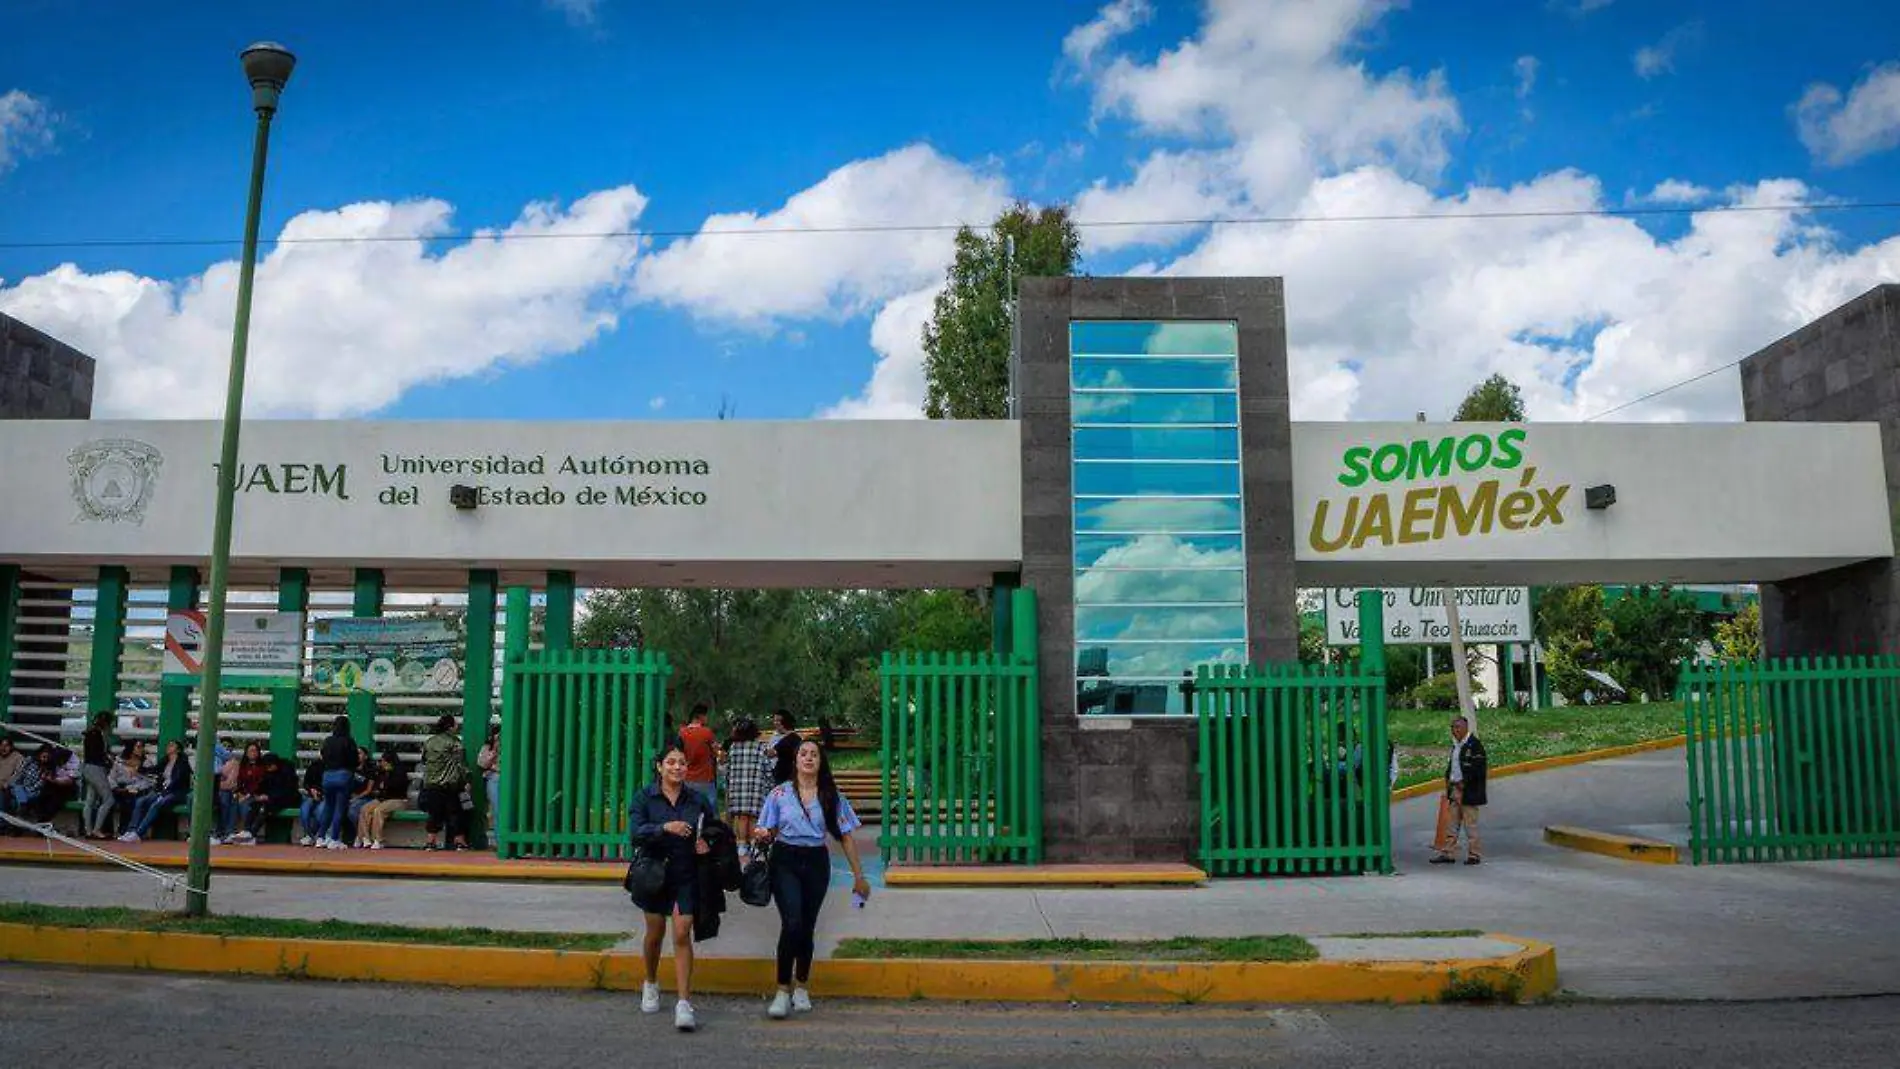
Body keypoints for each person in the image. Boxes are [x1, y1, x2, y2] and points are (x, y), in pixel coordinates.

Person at [754, 739, 871, 1020]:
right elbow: (766, 829)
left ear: (821, 762)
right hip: (785, 860)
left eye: (814, 754)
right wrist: (763, 834)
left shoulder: (831, 796)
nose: (808, 758)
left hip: (816, 863)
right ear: (795, 761)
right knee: (791, 922)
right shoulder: (779, 794)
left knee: (807, 926)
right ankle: (782, 990)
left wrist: (859, 876)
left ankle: (802, 986)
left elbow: (845, 836)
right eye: (803, 754)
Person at [630, 742, 714, 1033]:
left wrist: (707, 844)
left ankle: (683, 1003)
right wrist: (664, 828)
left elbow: (713, 829)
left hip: (686, 874)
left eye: (681, 763)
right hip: (653, 874)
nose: (677, 768)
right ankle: (651, 982)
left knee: (682, 931)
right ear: (659, 767)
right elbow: (635, 833)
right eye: (671, 762)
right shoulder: (644, 797)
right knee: (655, 933)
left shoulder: (697, 799)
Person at [1430, 715, 1488, 866]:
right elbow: (1453, 767)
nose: (1454, 731)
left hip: (1468, 791)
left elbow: (1479, 770)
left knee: (1470, 824)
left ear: (1465, 728)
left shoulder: (1474, 745)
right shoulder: (1456, 746)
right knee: (1452, 823)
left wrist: (1465, 783)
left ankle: (1474, 854)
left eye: (1457, 728)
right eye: (1452, 728)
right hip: (1454, 788)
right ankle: (1448, 853)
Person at [121, 739, 190, 842]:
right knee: (141, 801)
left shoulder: (182, 763)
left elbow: (177, 781)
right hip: (163, 791)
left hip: (176, 793)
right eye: (168, 745)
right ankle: (131, 830)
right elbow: (154, 770)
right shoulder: (166, 760)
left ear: (178, 750)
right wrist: (138, 769)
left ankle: (138, 833)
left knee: (157, 804)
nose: (168, 747)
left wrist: (163, 793)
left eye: (172, 745)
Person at [419, 715, 469, 851]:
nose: (457, 726)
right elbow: (461, 765)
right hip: (450, 784)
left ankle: (430, 842)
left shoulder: (429, 741)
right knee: (455, 813)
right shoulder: (455, 742)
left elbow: (424, 760)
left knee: (434, 814)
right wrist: (465, 781)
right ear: (450, 727)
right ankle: (460, 842)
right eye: (455, 724)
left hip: (431, 784)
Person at [722, 718, 770, 857]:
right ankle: (755, 844)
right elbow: (767, 767)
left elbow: (728, 769)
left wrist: (729, 785)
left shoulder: (733, 747)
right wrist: (770, 784)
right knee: (754, 817)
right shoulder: (760, 747)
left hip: (737, 787)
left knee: (741, 817)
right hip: (756, 786)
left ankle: (741, 845)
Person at [317, 716, 358, 850]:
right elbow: (354, 760)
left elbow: (322, 756)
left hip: (327, 776)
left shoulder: (328, 741)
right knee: (339, 808)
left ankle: (321, 837)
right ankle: (334, 838)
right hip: (343, 775)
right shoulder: (348, 741)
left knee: (328, 806)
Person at [357, 750, 411, 849]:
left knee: (379, 810)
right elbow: (378, 786)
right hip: (383, 798)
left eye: (383, 761)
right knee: (364, 809)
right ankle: (365, 839)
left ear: (389, 762)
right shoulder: (381, 772)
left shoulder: (400, 772)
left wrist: (385, 783)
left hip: (398, 799)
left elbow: (397, 787)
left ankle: (378, 840)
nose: (381, 763)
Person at [79, 713, 116, 840]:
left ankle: (88, 830)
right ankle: (97, 830)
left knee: (90, 800)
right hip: (96, 768)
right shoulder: (97, 735)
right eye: (111, 723)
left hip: (87, 768)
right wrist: (109, 759)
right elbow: (99, 754)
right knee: (109, 799)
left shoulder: (91, 733)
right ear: (106, 723)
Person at [106, 742, 154, 838]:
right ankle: (108, 830)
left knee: (130, 801)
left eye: (142, 747)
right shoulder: (119, 762)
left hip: (137, 790)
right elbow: (111, 777)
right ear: (131, 748)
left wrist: (135, 787)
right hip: (119, 789)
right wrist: (117, 788)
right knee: (108, 801)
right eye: (138, 747)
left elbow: (150, 781)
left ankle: (125, 830)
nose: (141, 749)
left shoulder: (146, 763)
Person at [677, 703, 721, 808]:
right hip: (705, 778)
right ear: (701, 716)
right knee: (709, 810)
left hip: (687, 777)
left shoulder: (682, 733)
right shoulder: (707, 733)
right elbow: (716, 752)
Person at [225, 743, 267, 845]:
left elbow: (261, 784)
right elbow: (239, 782)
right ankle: (229, 832)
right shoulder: (243, 766)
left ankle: (248, 833)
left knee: (246, 805)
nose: (252, 753)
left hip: (256, 795)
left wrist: (248, 795)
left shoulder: (262, 767)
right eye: (250, 751)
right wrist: (238, 793)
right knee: (233, 802)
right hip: (242, 794)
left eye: (254, 750)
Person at [0, 739, 42, 829]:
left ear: (11, 747)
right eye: (1, 745)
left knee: (4, 795)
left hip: (9, 786)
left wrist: (6, 784)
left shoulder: (18, 757)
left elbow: (18, 775)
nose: (3, 748)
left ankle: (2, 825)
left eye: (6, 746)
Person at [212, 744, 245, 844]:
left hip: (224, 791)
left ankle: (223, 832)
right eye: (223, 746)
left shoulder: (233, 763)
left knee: (226, 797)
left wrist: (217, 784)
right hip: (209, 791)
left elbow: (230, 784)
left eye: (228, 746)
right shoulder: (211, 760)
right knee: (191, 797)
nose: (226, 749)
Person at [348, 747, 378, 847]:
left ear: (365, 756)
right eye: (356, 753)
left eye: (360, 753)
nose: (357, 755)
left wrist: (356, 798)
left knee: (353, 810)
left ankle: (360, 835)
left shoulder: (370, 770)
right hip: (351, 797)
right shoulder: (351, 768)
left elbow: (369, 790)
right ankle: (360, 835)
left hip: (366, 797)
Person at [767, 710, 802, 786]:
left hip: (785, 775)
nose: (775, 723)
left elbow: (770, 753)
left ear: (785, 722)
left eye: (778, 720)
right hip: (773, 773)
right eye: (774, 720)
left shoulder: (792, 738)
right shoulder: (774, 736)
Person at [297, 758, 327, 846]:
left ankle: (320, 835)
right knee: (304, 810)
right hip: (312, 795)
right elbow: (306, 783)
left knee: (320, 811)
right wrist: (312, 790)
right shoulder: (314, 766)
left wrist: (323, 794)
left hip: (328, 796)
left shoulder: (336, 767)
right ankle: (309, 835)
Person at [477, 725, 501, 832]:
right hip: (494, 778)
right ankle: (499, 840)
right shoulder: (487, 747)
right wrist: (493, 752)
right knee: (497, 810)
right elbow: (482, 763)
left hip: (507, 779)